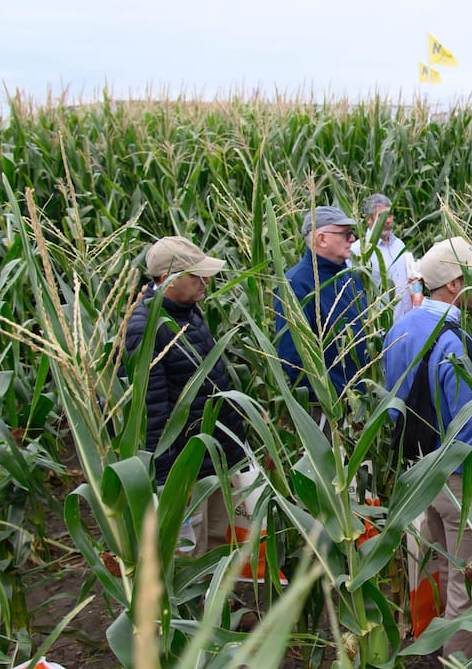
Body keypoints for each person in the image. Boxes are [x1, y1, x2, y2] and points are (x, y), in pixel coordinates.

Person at [382, 235, 472, 660]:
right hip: (459, 479)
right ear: (455, 284)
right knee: (467, 583)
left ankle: (437, 648)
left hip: (421, 474)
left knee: (441, 566)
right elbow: (469, 427)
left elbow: (392, 405)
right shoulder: (457, 341)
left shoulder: (399, 329)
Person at [124, 236, 246, 555]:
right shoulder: (146, 328)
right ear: (167, 279)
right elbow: (152, 412)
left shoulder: (189, 310)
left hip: (215, 455)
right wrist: (170, 481)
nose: (205, 281)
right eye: (196, 275)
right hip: (187, 467)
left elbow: (211, 381)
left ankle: (218, 603)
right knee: (189, 554)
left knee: (220, 544)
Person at [275, 205, 369, 397]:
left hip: (362, 398)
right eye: (345, 234)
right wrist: (331, 399)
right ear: (322, 239)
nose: (353, 239)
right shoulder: (296, 285)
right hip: (332, 407)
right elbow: (294, 358)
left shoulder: (350, 275)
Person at [349, 193, 423, 322]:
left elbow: (411, 279)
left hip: (409, 322)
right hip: (382, 327)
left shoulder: (399, 245)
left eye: (390, 215)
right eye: (382, 216)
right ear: (368, 219)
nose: (388, 220)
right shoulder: (358, 251)